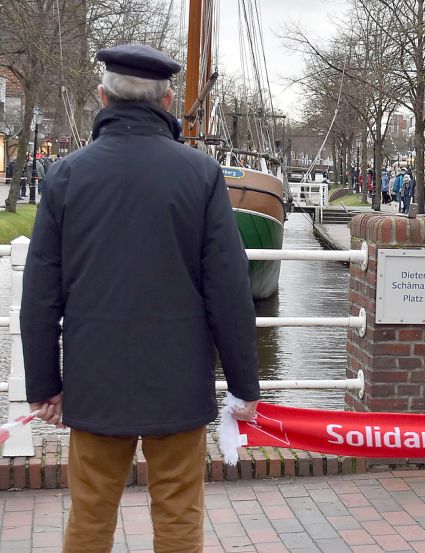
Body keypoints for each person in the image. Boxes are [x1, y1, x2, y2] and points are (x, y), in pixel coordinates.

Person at [21, 43, 260, 553]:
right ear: (168, 102)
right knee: (178, 514)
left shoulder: (64, 176)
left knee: (90, 514)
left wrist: (44, 385)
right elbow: (229, 288)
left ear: (103, 98)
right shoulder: (201, 175)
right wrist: (243, 385)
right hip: (178, 380)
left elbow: (41, 291)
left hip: (94, 379)